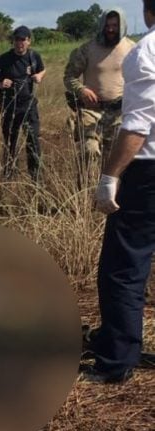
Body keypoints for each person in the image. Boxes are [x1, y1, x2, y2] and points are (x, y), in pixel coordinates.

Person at [82, 0, 155, 384]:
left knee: (123, 267)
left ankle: (116, 361)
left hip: (147, 173)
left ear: (146, 10)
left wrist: (110, 176)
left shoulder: (145, 52)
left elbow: (138, 128)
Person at [64, 8, 135, 185]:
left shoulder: (133, 49)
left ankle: (105, 195)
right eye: (107, 25)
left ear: (122, 26)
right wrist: (81, 90)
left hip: (119, 111)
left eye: (115, 25)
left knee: (112, 159)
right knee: (89, 150)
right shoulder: (88, 49)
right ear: (102, 25)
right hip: (91, 110)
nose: (111, 29)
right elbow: (69, 76)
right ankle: (82, 191)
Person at [0, 26, 46, 182]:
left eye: (23, 40)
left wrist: (39, 76)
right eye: (17, 40)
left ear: (29, 41)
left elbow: (43, 70)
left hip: (29, 105)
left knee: (33, 140)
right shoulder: (4, 59)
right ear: (13, 41)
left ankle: (36, 177)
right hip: (9, 106)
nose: (20, 43)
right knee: (10, 141)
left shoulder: (34, 56)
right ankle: (10, 175)